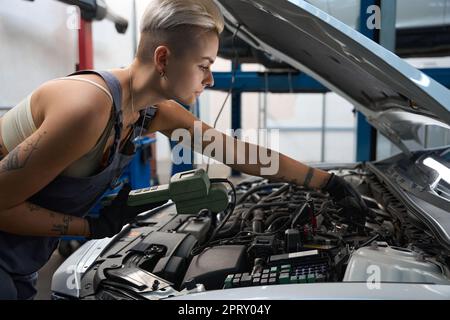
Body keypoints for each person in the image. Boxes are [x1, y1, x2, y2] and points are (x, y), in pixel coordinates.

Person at [0, 0, 366, 300]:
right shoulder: (87, 109)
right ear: (163, 59)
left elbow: (237, 152)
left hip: (24, 257)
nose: (209, 79)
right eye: (204, 66)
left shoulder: (150, 110)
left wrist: (328, 183)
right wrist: (89, 226)